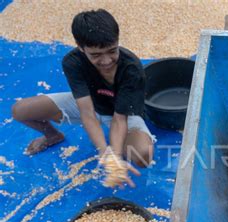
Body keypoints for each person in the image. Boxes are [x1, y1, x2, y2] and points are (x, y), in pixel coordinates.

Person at [12, 9, 154, 187]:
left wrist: (114, 156)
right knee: (20, 111)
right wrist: (105, 151)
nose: (106, 60)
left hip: (123, 112)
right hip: (91, 104)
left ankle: (125, 147)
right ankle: (52, 135)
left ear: (117, 41)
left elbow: (119, 119)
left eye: (112, 51)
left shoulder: (131, 69)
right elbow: (87, 113)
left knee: (143, 155)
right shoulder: (72, 62)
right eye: (95, 55)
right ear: (80, 47)